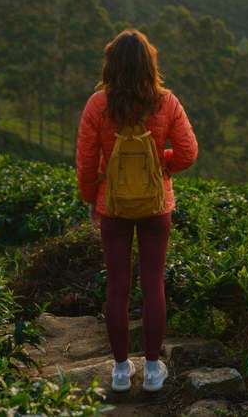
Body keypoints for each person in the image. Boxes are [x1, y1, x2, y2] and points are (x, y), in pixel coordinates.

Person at [75, 29, 198, 393]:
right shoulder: (166, 102)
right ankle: (153, 367)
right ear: (150, 63)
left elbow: (85, 162)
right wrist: (160, 164)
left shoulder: (98, 105)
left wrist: (91, 198)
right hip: (156, 205)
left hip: (112, 206)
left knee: (117, 287)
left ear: (111, 64)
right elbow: (189, 153)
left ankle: (119, 369)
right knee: (153, 284)